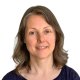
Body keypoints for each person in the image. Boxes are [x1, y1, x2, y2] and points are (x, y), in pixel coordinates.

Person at [2, 5, 80, 80]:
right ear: (24, 38)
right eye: (32, 32)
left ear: (56, 35)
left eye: (47, 31)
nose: (41, 39)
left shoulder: (71, 77)